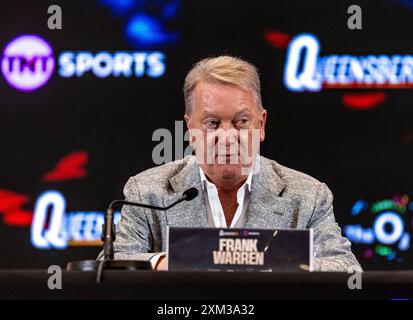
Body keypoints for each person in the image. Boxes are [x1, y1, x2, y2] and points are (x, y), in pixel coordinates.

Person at [102, 55, 362, 272]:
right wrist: (162, 262)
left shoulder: (307, 196)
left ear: (261, 124)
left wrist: (281, 262)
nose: (228, 138)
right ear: (191, 129)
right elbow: (110, 265)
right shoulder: (146, 192)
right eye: (212, 123)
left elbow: (347, 269)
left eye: (241, 122)